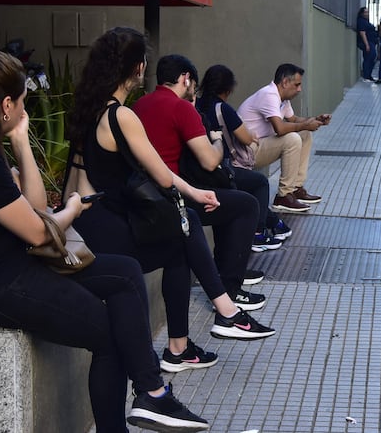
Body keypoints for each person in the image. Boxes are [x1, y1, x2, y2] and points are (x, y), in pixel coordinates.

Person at [0, 50, 209, 432]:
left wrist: (21, 142)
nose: (24, 111)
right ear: (6, 104)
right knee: (109, 333)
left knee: (124, 271)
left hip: (8, 268)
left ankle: (152, 394)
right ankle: (149, 397)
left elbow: (35, 209)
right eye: (22, 103)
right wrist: (72, 208)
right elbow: (40, 230)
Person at [66, 28, 276, 373]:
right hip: (111, 229)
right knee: (185, 225)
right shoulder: (122, 115)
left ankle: (181, 348)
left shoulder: (90, 112)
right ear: (137, 68)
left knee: (181, 239)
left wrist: (73, 213)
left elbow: (78, 180)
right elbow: (161, 175)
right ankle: (225, 311)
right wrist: (196, 193)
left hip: (92, 221)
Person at [132, 54, 269, 309]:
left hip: (144, 195)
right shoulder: (181, 108)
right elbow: (208, 161)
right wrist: (218, 140)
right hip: (173, 196)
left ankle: (223, 277)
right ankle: (230, 288)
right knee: (246, 205)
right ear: (185, 79)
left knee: (223, 199)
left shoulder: (140, 105)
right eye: (192, 82)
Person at [196, 64, 293, 251]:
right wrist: (253, 136)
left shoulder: (197, 105)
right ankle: (258, 234)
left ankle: (276, 223)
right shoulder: (223, 109)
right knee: (260, 183)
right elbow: (246, 138)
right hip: (222, 167)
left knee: (250, 189)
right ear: (228, 89)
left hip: (200, 169)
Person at [237, 63, 330, 213]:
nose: (299, 89)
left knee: (304, 135)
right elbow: (279, 129)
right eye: (297, 85)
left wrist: (315, 119)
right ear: (285, 82)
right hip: (245, 151)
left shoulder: (283, 100)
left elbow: (293, 120)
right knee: (292, 139)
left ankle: (295, 188)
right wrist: (306, 125)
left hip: (259, 145)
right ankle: (284, 196)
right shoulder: (269, 95)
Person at [356, 7, 378, 82]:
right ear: (362, 13)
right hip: (367, 42)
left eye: (367, 12)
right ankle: (366, 76)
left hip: (371, 41)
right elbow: (362, 33)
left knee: (371, 57)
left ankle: (368, 75)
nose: (367, 14)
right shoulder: (361, 21)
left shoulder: (366, 21)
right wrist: (367, 44)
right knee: (369, 58)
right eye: (365, 12)